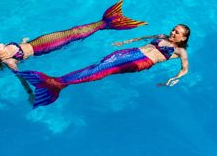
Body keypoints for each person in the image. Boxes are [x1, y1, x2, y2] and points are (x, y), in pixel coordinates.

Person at [17, 24, 191, 107]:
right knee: (101, 64)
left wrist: (175, 78)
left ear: (183, 38)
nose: (173, 32)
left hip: (142, 61)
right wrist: (125, 41)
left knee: (105, 70)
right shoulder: (161, 35)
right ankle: (58, 83)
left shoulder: (180, 51)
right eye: (174, 29)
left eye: (177, 32)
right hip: (132, 51)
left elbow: (185, 69)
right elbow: (143, 38)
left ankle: (58, 83)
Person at [0, 0, 145, 71]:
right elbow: (21, 77)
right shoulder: (10, 62)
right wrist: (30, 92)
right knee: (73, 35)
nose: (0, 43)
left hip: (38, 41)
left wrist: (23, 41)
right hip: (43, 48)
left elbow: (19, 45)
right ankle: (105, 23)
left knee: (72, 31)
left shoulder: (7, 48)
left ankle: (105, 23)